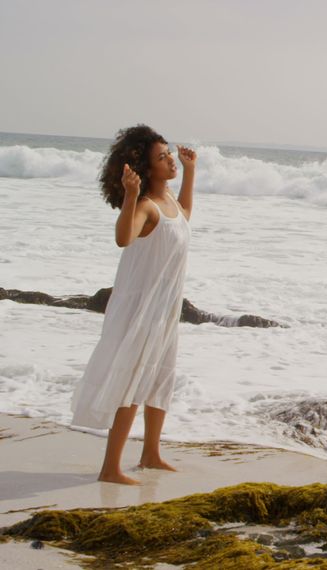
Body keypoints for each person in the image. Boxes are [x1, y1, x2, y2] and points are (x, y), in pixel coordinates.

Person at [70, 125, 196, 485]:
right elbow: (123, 238)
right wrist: (129, 195)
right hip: (140, 309)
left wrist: (190, 173)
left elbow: (184, 216)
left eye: (169, 152)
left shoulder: (170, 201)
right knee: (132, 382)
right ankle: (111, 467)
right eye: (162, 157)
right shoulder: (145, 206)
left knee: (160, 377)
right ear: (146, 168)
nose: (170, 158)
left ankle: (151, 453)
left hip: (165, 307)